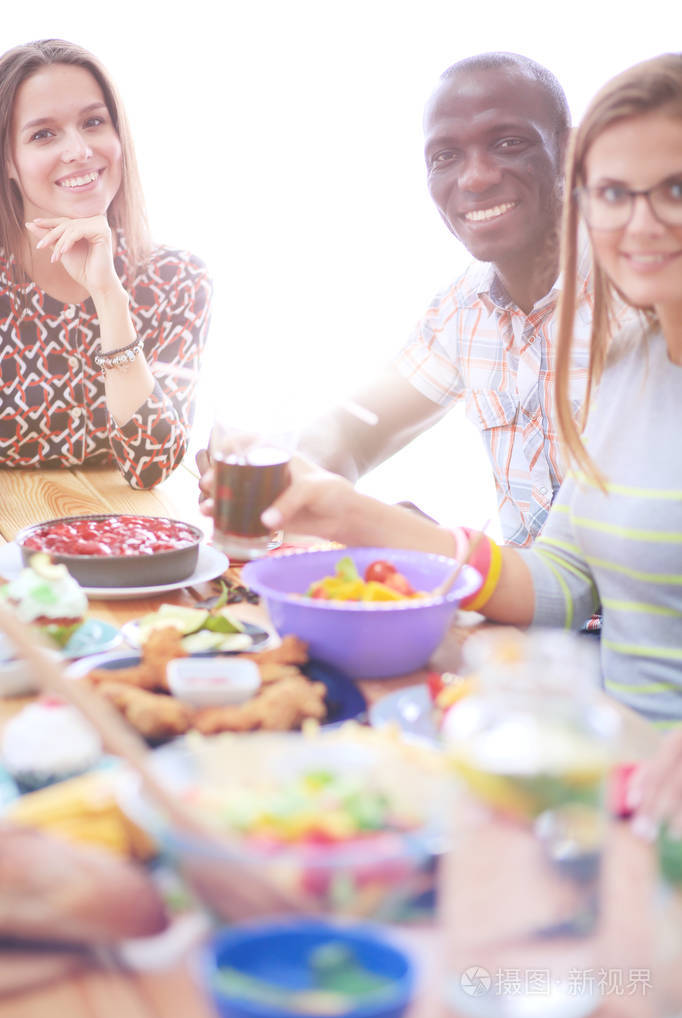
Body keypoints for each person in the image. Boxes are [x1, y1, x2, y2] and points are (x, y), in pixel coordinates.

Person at [260, 53, 682, 826]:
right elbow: (558, 577)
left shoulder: (624, 310)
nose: (641, 223)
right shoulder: (625, 364)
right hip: (594, 722)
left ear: (566, 152)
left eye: (674, 190)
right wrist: (328, 494)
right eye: (619, 195)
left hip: (609, 704)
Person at [198, 51, 590, 546]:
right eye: (445, 157)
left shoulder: (644, 297)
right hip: (526, 610)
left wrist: (432, 544)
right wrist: (284, 468)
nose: (475, 177)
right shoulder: (463, 309)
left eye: (508, 144)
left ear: (572, 151)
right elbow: (354, 429)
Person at [0, 39, 212, 489]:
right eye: (43, 134)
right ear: (8, 162)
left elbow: (150, 465)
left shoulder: (178, 280)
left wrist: (109, 297)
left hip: (124, 540)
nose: (79, 150)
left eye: (93, 122)